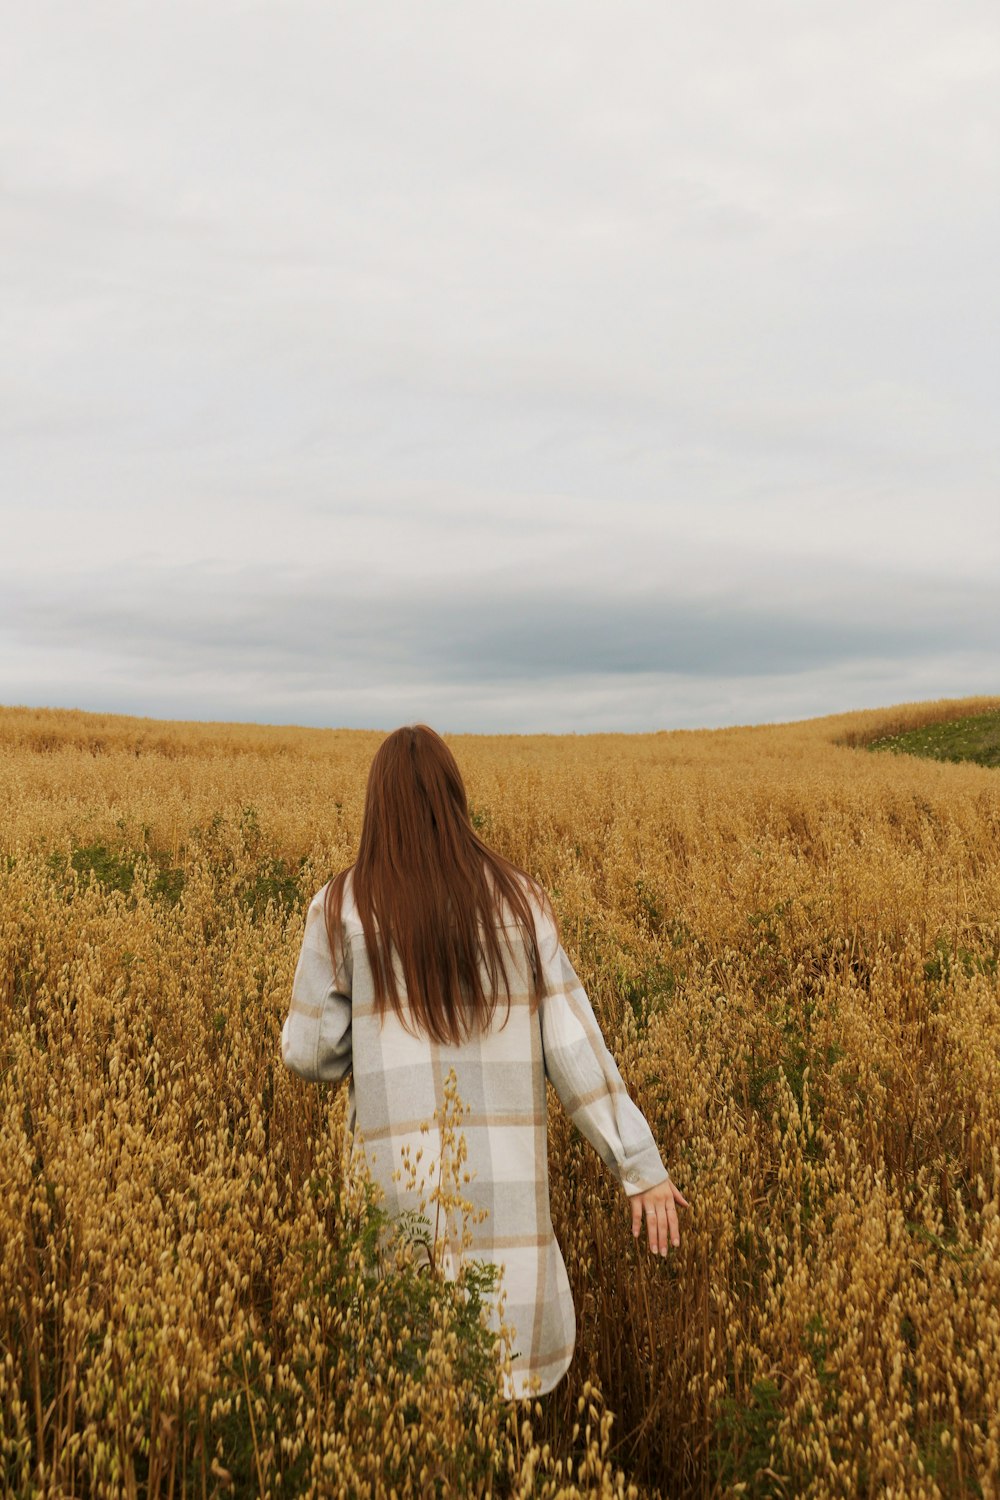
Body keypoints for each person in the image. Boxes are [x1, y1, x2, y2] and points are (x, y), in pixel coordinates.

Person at [280, 723, 689, 1400]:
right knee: (500, 1402)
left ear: (377, 806)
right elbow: (572, 1046)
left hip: (399, 1209)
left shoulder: (340, 908)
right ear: (455, 799)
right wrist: (639, 1168)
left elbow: (309, 1054)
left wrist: (369, 1029)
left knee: (411, 1401)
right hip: (505, 1211)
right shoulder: (520, 902)